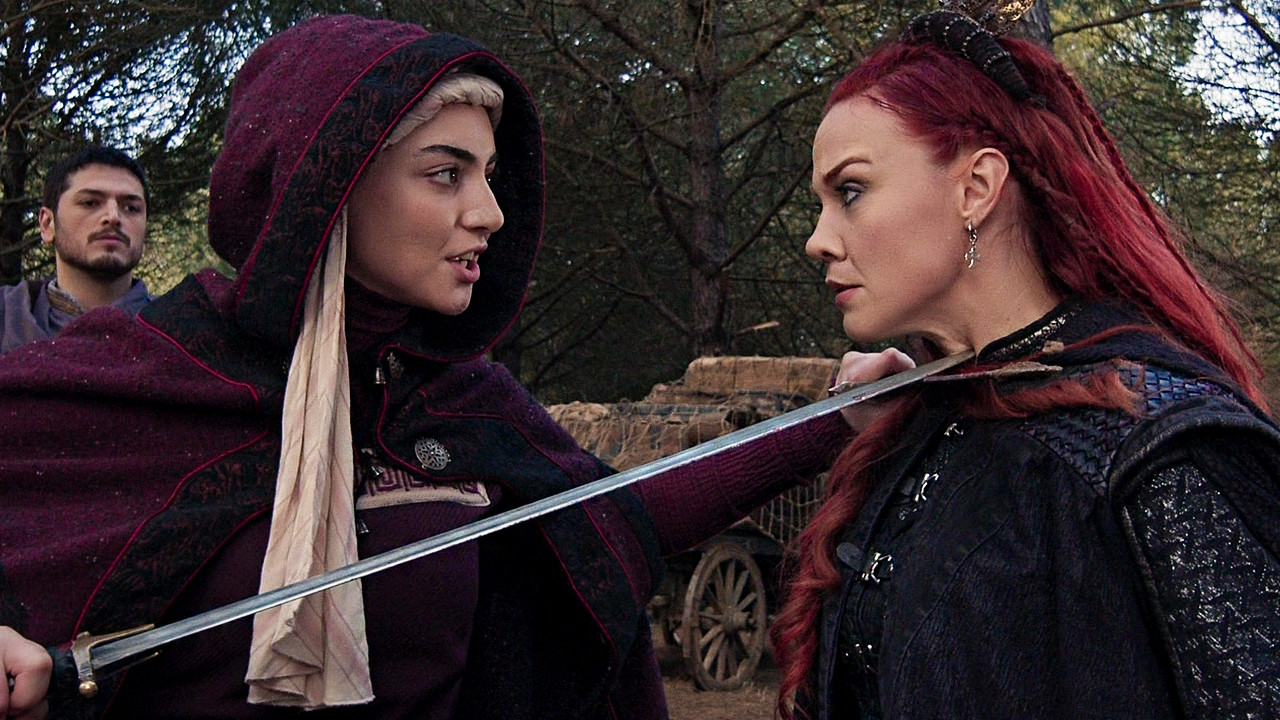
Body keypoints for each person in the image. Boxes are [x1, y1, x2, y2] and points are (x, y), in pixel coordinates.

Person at [0, 14, 853, 720]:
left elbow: (611, 519)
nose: (489, 212)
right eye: (446, 174)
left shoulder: (462, 399)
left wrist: (836, 420)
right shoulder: (145, 375)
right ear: (327, 186)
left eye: (488, 175)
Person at [770, 6, 1280, 720]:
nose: (817, 240)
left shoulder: (1158, 449)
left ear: (975, 188)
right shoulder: (929, 423)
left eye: (849, 192)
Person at [0, 145, 151, 353]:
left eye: (131, 208)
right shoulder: (7, 319)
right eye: (90, 203)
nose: (113, 217)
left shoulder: (179, 331)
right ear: (47, 224)